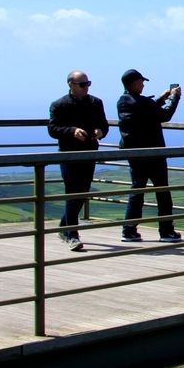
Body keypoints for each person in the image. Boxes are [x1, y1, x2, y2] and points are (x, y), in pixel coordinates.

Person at [117, 69, 182, 243]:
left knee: (137, 191)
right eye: (141, 81)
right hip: (153, 153)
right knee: (162, 192)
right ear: (133, 83)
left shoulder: (123, 101)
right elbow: (164, 115)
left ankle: (129, 230)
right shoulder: (141, 102)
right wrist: (175, 97)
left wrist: (161, 98)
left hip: (135, 154)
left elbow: (146, 111)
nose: (143, 84)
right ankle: (166, 231)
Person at [47, 70, 109, 252]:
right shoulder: (59, 105)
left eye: (88, 83)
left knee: (82, 192)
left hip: (89, 153)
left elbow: (103, 124)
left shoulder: (96, 103)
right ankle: (72, 235)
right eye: (82, 84)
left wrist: (100, 131)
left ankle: (64, 227)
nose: (86, 87)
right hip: (68, 154)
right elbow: (53, 129)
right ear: (70, 85)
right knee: (73, 192)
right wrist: (72, 131)